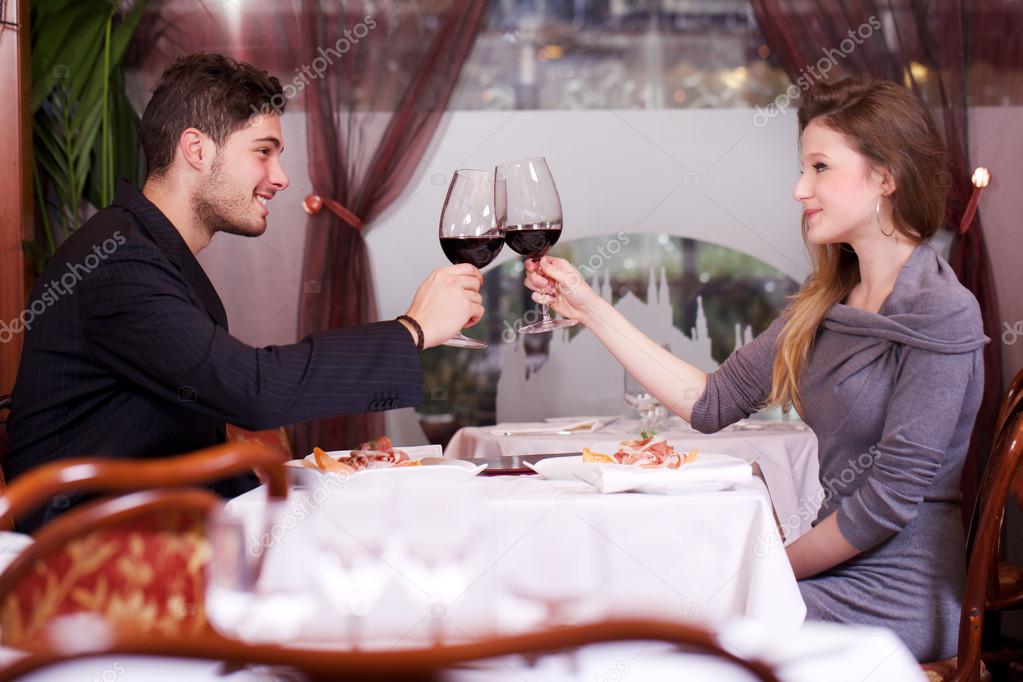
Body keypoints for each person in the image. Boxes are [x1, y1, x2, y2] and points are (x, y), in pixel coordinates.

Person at [524, 78, 986, 661]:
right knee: (640, 622)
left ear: (886, 176)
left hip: (894, 597)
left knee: (670, 641)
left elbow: (887, 503)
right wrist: (590, 309)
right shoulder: (827, 302)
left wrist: (764, 571)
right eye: (802, 168)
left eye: (819, 167)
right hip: (819, 582)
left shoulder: (940, 310)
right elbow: (712, 403)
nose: (799, 189)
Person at [6, 53, 484, 532]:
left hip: (155, 530)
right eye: (263, 151)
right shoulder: (119, 261)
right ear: (196, 149)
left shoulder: (146, 248)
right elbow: (255, 390)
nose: (281, 177)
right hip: (86, 560)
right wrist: (412, 330)